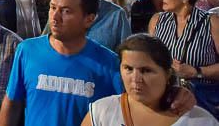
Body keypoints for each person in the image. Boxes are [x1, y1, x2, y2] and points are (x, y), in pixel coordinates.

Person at [0, 0, 125, 126]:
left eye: (66, 11)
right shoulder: (27, 51)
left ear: (89, 19)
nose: (55, 17)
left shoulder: (109, 64)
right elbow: (12, 103)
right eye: (53, 8)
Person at [82, 34, 218, 126]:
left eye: (146, 71)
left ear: (167, 73)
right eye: (128, 68)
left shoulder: (200, 120)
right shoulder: (102, 112)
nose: (136, 79)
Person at [149, 0, 219, 83]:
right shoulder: (157, 21)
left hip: (199, 96)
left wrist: (197, 72)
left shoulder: (212, 22)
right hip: (165, 94)